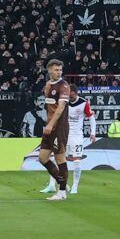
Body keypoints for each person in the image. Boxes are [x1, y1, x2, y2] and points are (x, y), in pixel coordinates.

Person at [43, 86, 95, 195]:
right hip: (63, 134)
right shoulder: (63, 102)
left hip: (76, 136)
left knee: (76, 161)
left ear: (76, 93)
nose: (70, 98)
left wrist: (93, 133)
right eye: (69, 96)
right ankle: (52, 185)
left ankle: (75, 186)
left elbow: (91, 117)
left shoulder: (83, 103)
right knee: (57, 159)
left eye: (72, 96)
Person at [37, 58, 72, 201]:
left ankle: (62, 192)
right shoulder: (47, 85)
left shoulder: (63, 86)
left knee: (59, 157)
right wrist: (48, 124)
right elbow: (49, 108)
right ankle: (62, 181)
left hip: (59, 127)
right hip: (49, 126)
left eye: (60, 70)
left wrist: (51, 124)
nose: (59, 72)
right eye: (56, 70)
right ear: (49, 70)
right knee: (42, 158)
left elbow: (60, 107)